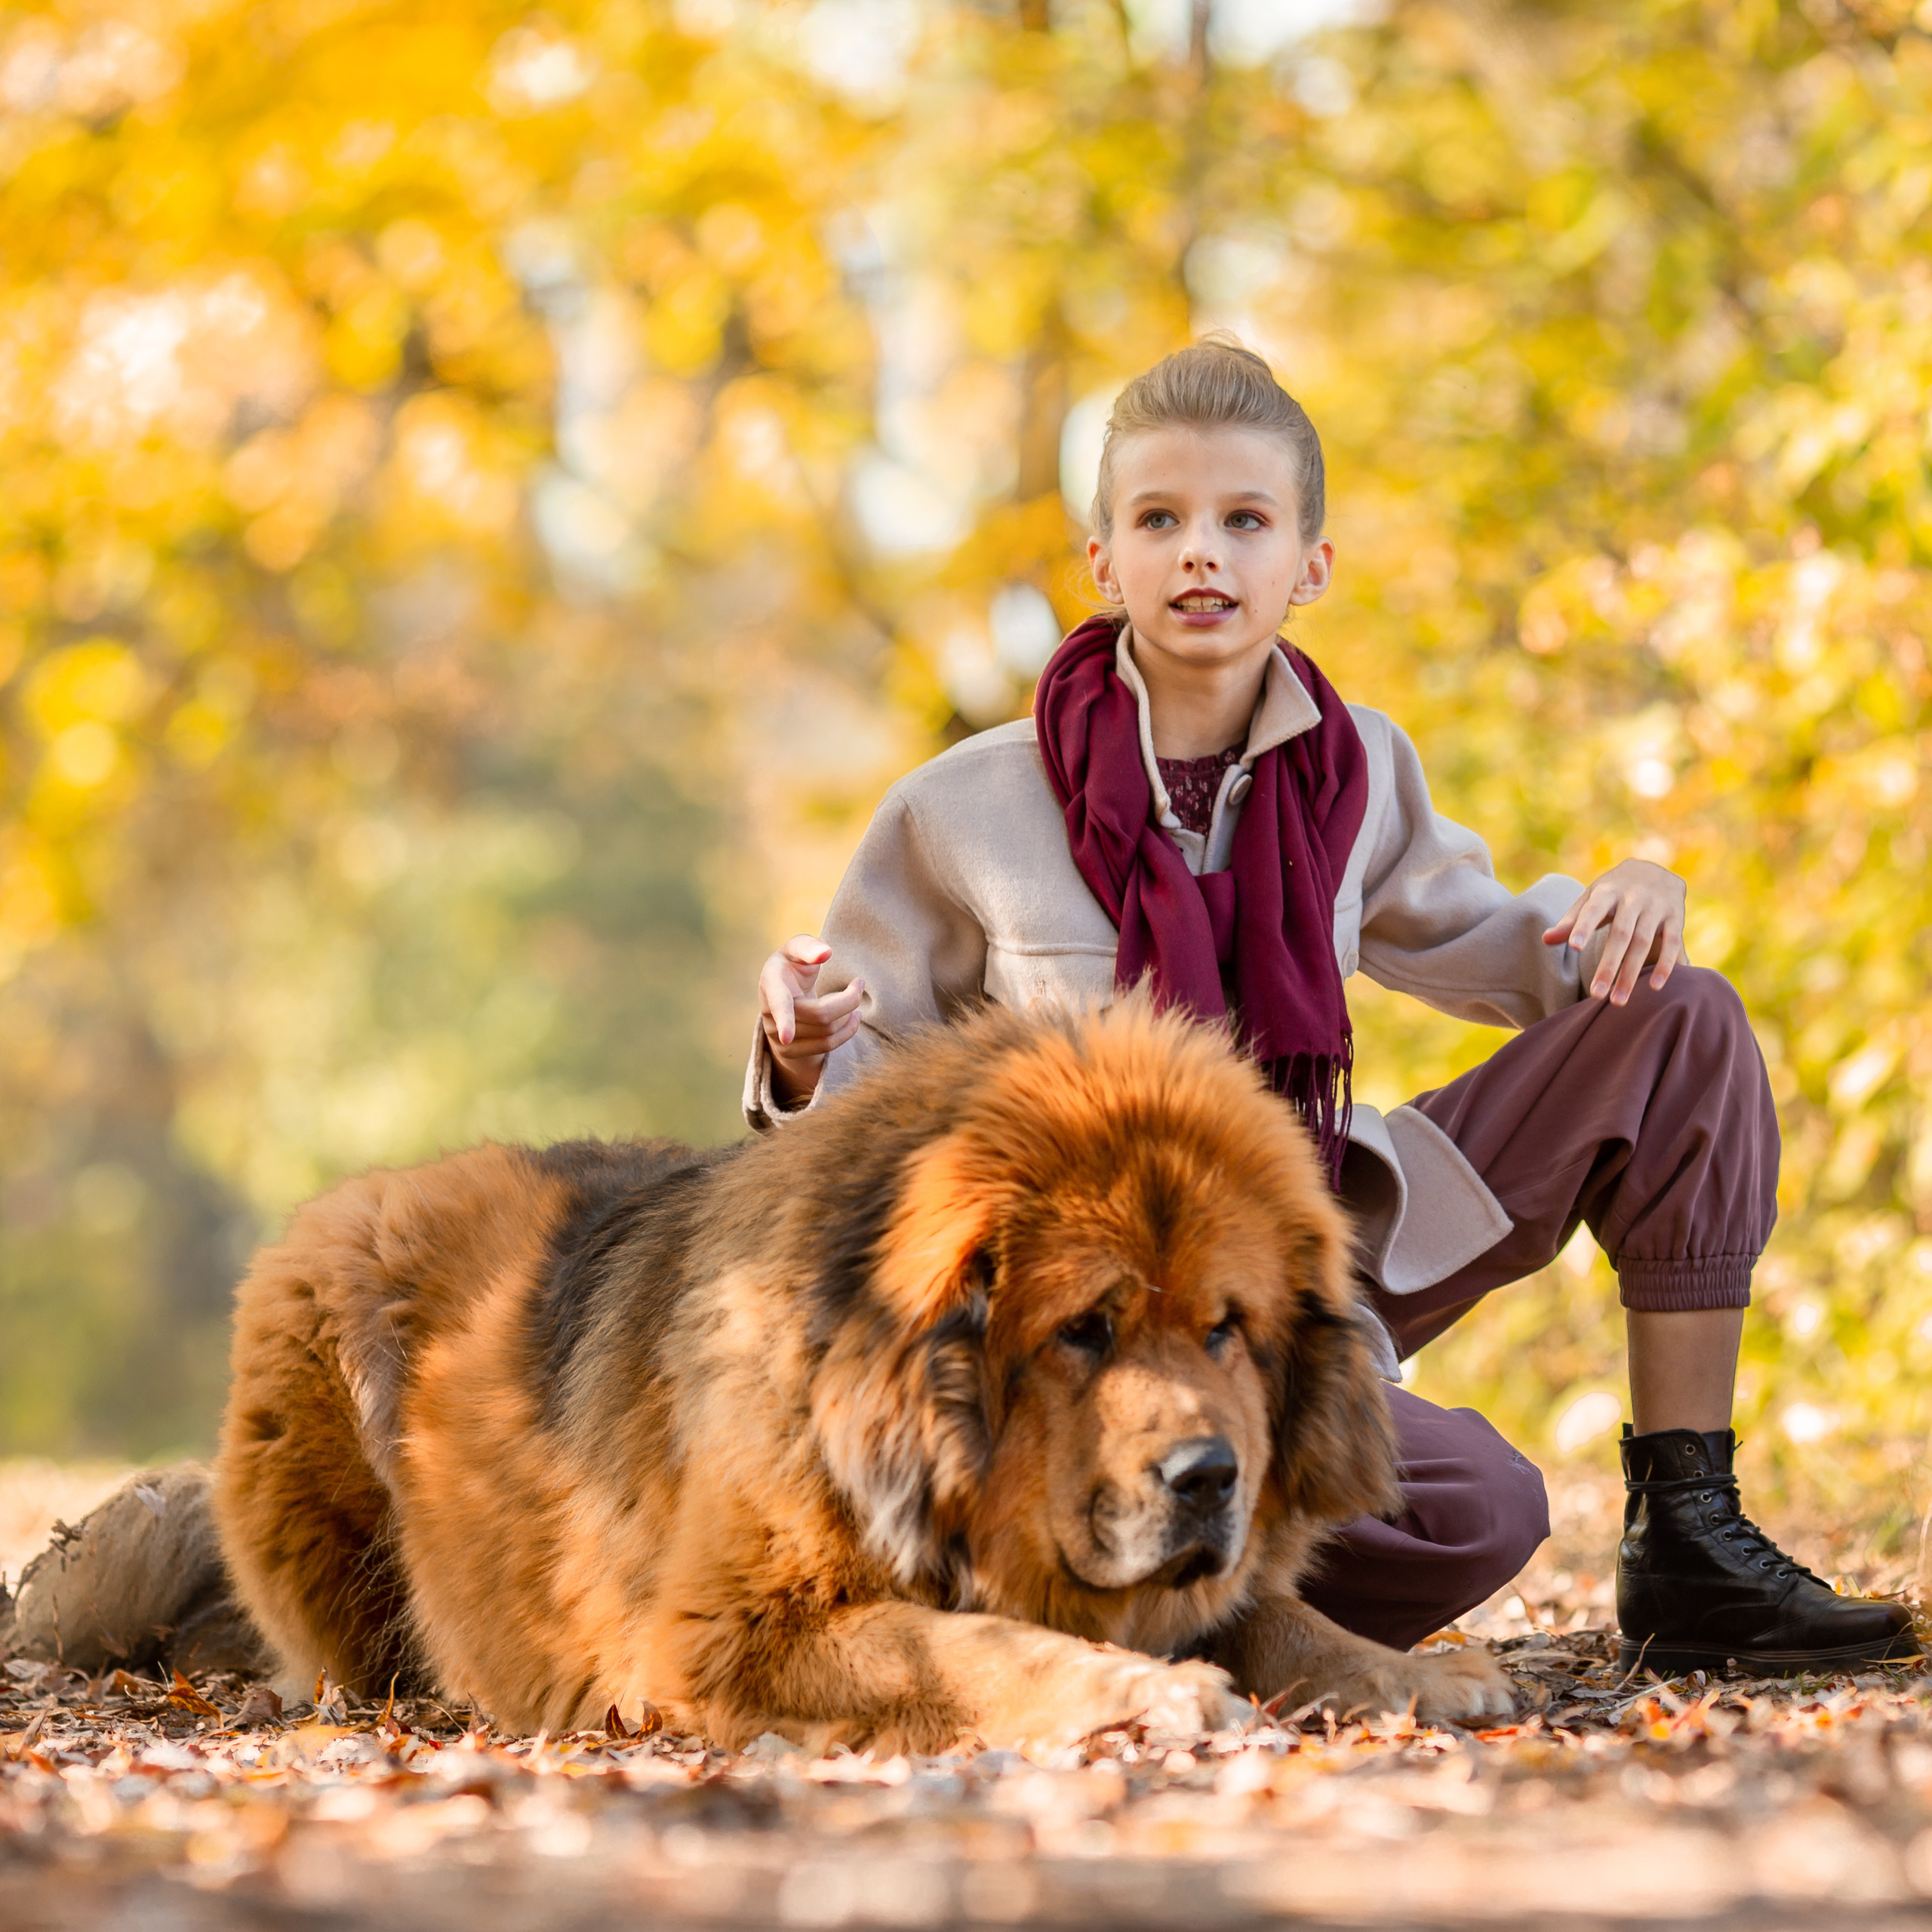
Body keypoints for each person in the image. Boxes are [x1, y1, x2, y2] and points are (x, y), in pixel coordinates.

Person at [745, 338, 1913, 1679]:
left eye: (1246, 522)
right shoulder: (965, 806)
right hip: (1100, 1314)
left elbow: (1493, 940)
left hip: (1311, 1253)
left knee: (1681, 1017)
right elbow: (845, 1132)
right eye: (1161, 520)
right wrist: (797, 1050)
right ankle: (1133, 1576)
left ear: (1310, 564)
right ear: (1101, 559)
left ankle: (1692, 1536)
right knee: (1479, 1502)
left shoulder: (1361, 774)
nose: (1203, 556)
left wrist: (1624, 898)